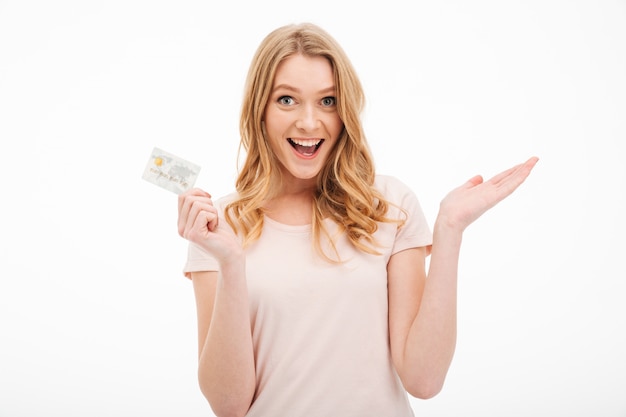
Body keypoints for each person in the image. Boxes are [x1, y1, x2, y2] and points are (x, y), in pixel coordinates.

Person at [177, 22, 538, 417]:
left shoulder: (389, 205)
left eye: (328, 101)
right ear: (259, 108)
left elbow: (424, 379)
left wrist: (449, 229)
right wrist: (231, 264)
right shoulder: (218, 226)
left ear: (345, 110)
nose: (310, 122)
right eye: (286, 100)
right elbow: (228, 405)